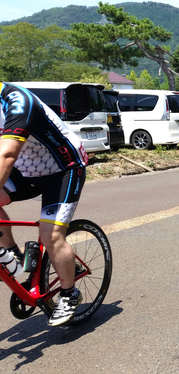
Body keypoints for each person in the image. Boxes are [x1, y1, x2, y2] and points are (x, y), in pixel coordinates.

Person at [0, 82, 89, 326]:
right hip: (25, 169)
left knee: (51, 235)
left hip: (63, 169)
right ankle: (14, 255)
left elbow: (6, 155)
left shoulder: (17, 101)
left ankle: (69, 293)